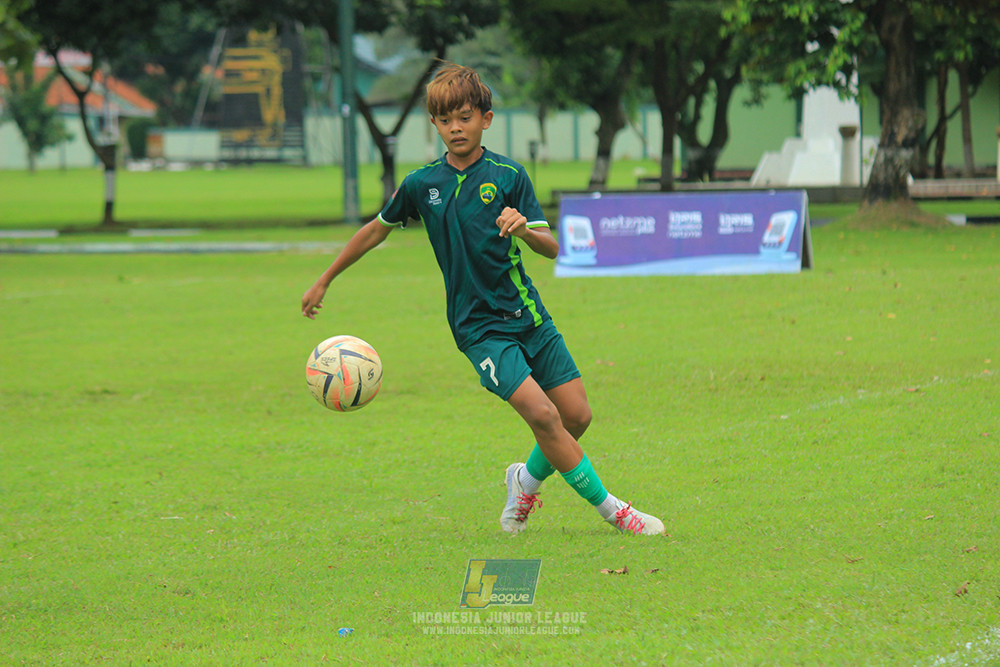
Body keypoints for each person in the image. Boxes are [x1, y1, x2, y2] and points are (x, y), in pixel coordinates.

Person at [301, 63, 663, 536]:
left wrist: (525, 230)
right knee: (543, 414)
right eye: (445, 119)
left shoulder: (509, 175)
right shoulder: (421, 184)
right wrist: (325, 279)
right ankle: (617, 512)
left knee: (576, 416)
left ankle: (523, 481)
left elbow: (552, 246)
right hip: (479, 329)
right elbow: (375, 230)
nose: (456, 127)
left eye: (465, 117)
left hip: (528, 315)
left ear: (486, 119)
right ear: (434, 124)